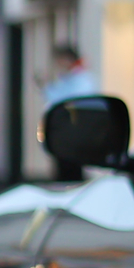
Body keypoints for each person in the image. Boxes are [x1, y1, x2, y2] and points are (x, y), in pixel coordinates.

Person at [41, 45, 98, 182]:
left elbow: (62, 100)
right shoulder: (71, 78)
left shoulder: (80, 79)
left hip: (73, 133)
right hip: (68, 133)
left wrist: (46, 87)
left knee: (70, 171)